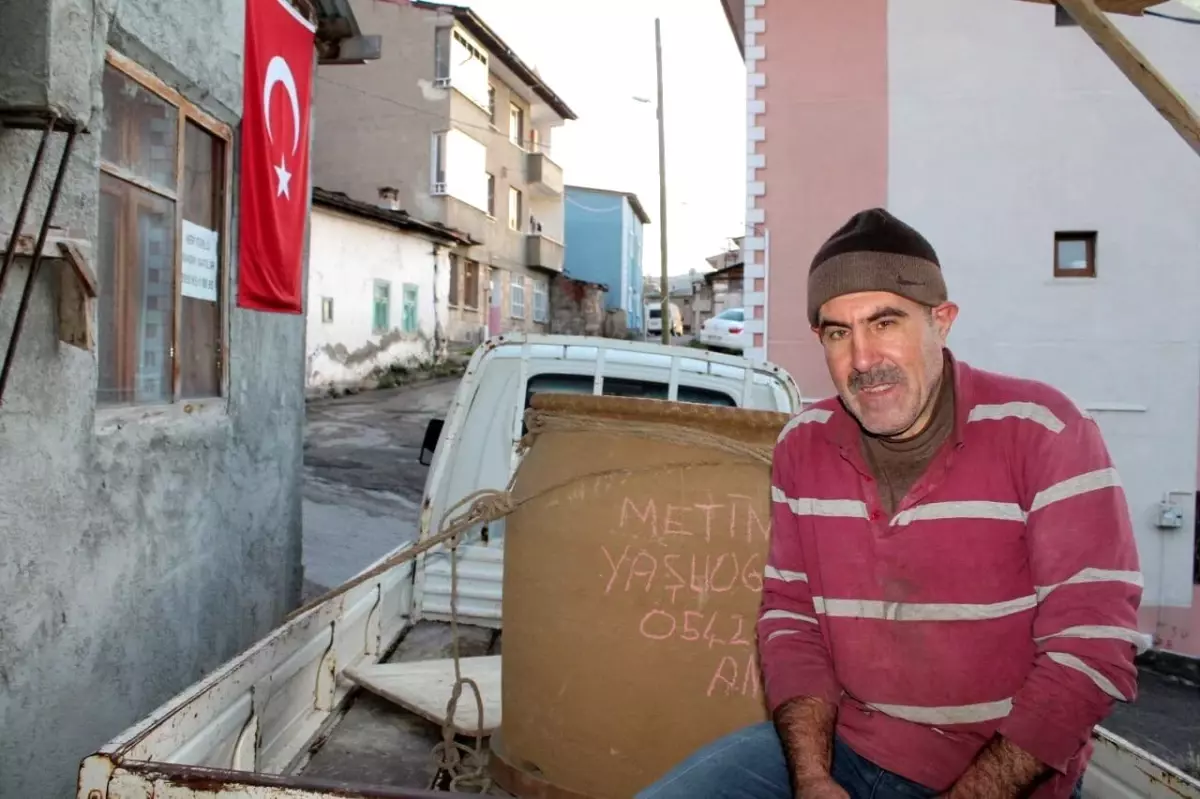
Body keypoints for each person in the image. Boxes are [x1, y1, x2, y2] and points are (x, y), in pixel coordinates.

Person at [637, 208, 1144, 799]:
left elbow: (1093, 648)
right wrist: (811, 776)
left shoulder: (1044, 431)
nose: (862, 359)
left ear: (941, 321)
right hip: (847, 750)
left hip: (1004, 775)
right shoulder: (803, 442)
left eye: (885, 323)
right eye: (837, 332)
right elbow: (791, 615)